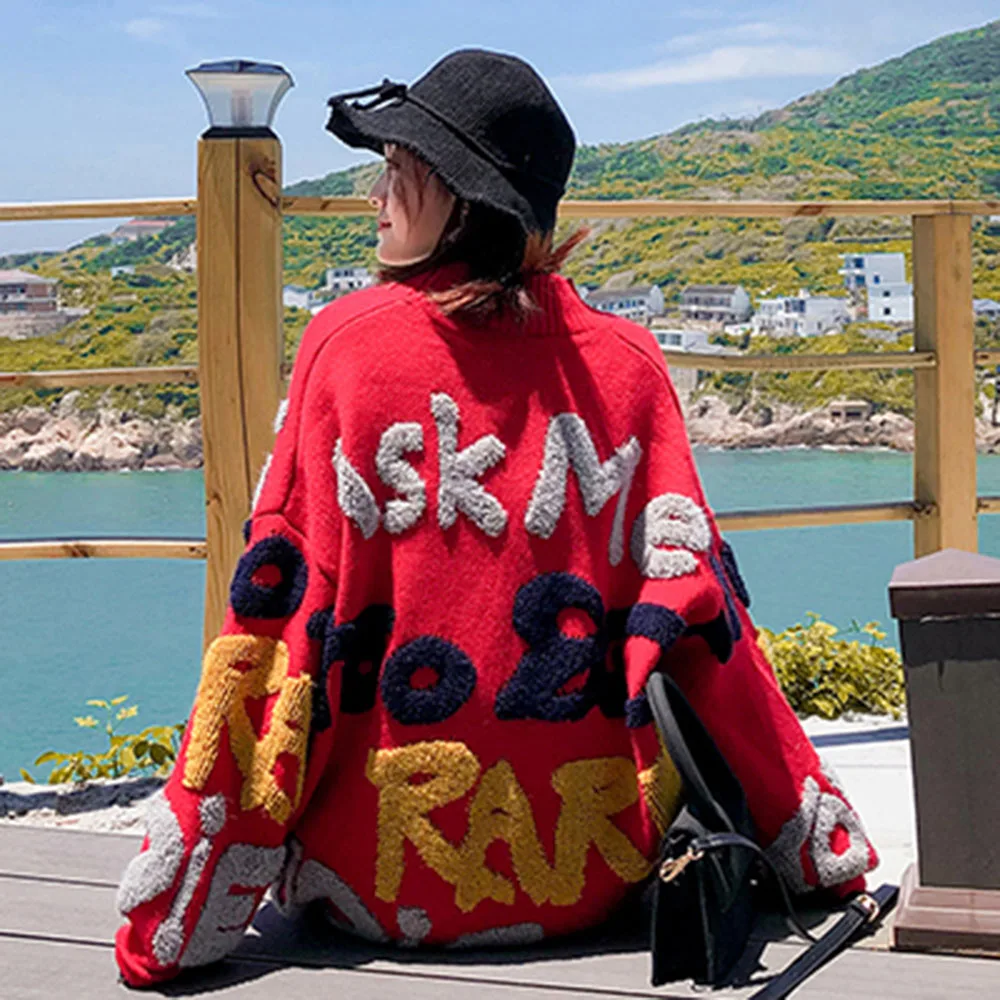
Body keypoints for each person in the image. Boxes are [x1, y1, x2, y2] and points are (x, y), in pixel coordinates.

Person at [115, 49, 877, 987]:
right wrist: (817, 848)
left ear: (460, 195)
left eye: (399, 169)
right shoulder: (630, 366)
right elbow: (704, 626)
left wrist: (173, 920)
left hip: (377, 888)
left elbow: (275, 635)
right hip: (597, 875)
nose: (375, 196)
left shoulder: (345, 349)